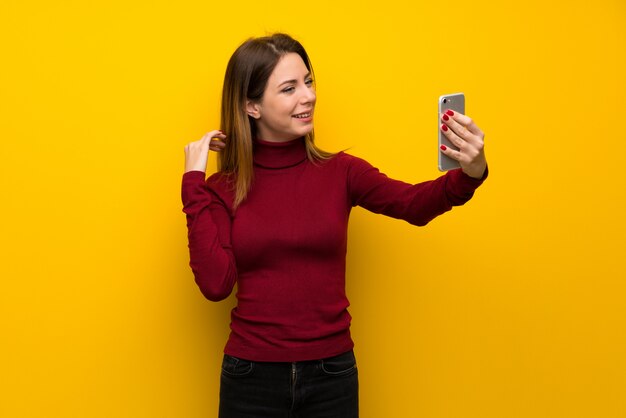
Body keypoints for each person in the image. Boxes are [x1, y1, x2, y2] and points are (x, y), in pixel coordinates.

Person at [181, 33, 487, 418]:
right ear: (251, 106)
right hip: (250, 377)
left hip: (332, 374)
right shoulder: (222, 189)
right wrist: (194, 182)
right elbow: (215, 284)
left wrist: (471, 172)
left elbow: (414, 205)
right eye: (289, 88)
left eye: (308, 82)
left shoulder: (341, 172)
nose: (307, 96)